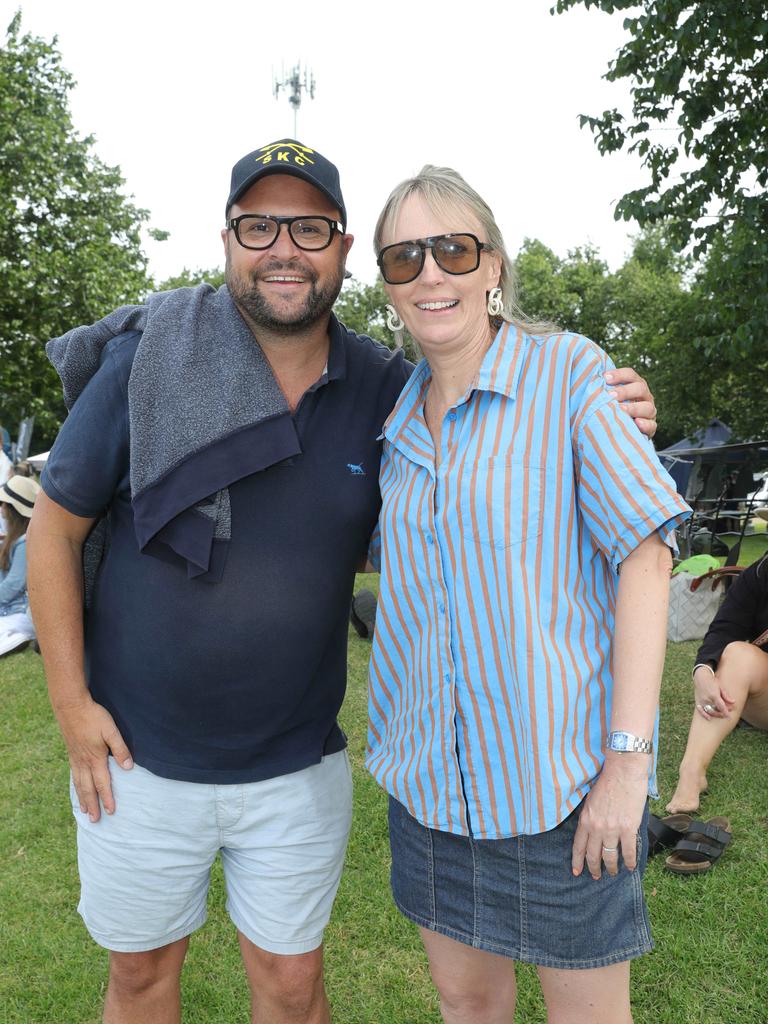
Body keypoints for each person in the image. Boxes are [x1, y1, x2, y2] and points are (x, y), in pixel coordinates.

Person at [27, 139, 658, 1024]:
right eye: (260, 225)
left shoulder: (388, 391)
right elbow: (54, 530)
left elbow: (570, 490)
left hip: (303, 769)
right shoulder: (151, 362)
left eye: (310, 227)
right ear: (227, 240)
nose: (284, 246)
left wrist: (608, 394)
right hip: (138, 760)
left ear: (343, 250)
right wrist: (69, 706)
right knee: (138, 978)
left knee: (291, 988)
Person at [366, 165, 691, 1024]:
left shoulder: (570, 375)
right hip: (430, 790)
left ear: (494, 265)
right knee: (466, 1002)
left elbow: (647, 556)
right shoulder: (396, 423)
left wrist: (628, 765)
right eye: (404, 258)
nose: (430, 272)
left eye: (453, 248)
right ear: (389, 286)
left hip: (563, 790)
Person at [666, 553, 768, 813]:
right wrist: (702, 672)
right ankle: (691, 772)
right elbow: (723, 631)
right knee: (737, 653)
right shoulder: (759, 574)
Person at [0, 475, 40, 655]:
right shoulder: (17, 539)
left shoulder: (24, 542)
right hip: (11, 610)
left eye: (4, 504)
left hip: (18, 613)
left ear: (13, 509)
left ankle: (14, 637)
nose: (1, 509)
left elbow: (14, 584)